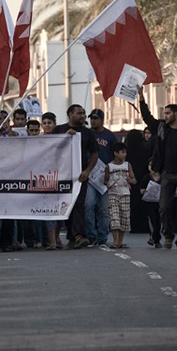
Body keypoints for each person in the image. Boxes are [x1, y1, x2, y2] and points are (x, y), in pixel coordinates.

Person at [138, 87, 177, 250]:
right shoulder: (161, 129)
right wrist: (141, 98)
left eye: (167, 113)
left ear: (176, 114)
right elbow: (147, 117)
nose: (165, 116)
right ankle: (167, 236)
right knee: (164, 207)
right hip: (166, 174)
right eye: (164, 113)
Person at [53, 104, 99, 249]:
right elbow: (49, 146)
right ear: (70, 114)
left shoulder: (87, 133)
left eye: (84, 113)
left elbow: (94, 153)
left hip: (79, 175)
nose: (82, 116)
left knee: (79, 203)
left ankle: (79, 235)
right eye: (79, 113)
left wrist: (87, 170)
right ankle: (70, 236)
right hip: (61, 174)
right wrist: (65, 137)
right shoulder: (59, 129)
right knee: (65, 205)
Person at [85, 109, 117, 247]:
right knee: (89, 205)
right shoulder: (87, 134)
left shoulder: (109, 136)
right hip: (90, 175)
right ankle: (91, 235)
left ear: (102, 119)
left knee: (105, 209)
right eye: (91, 118)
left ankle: (102, 236)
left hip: (105, 175)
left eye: (96, 118)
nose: (93, 121)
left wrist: (112, 173)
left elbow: (115, 154)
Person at [105, 142, 136, 249]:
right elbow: (105, 180)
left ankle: (120, 241)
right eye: (122, 152)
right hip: (113, 194)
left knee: (124, 217)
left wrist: (130, 180)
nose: (124, 154)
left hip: (125, 194)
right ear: (115, 153)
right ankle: (115, 240)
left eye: (125, 152)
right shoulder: (109, 166)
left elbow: (134, 180)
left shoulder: (127, 165)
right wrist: (108, 184)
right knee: (114, 217)